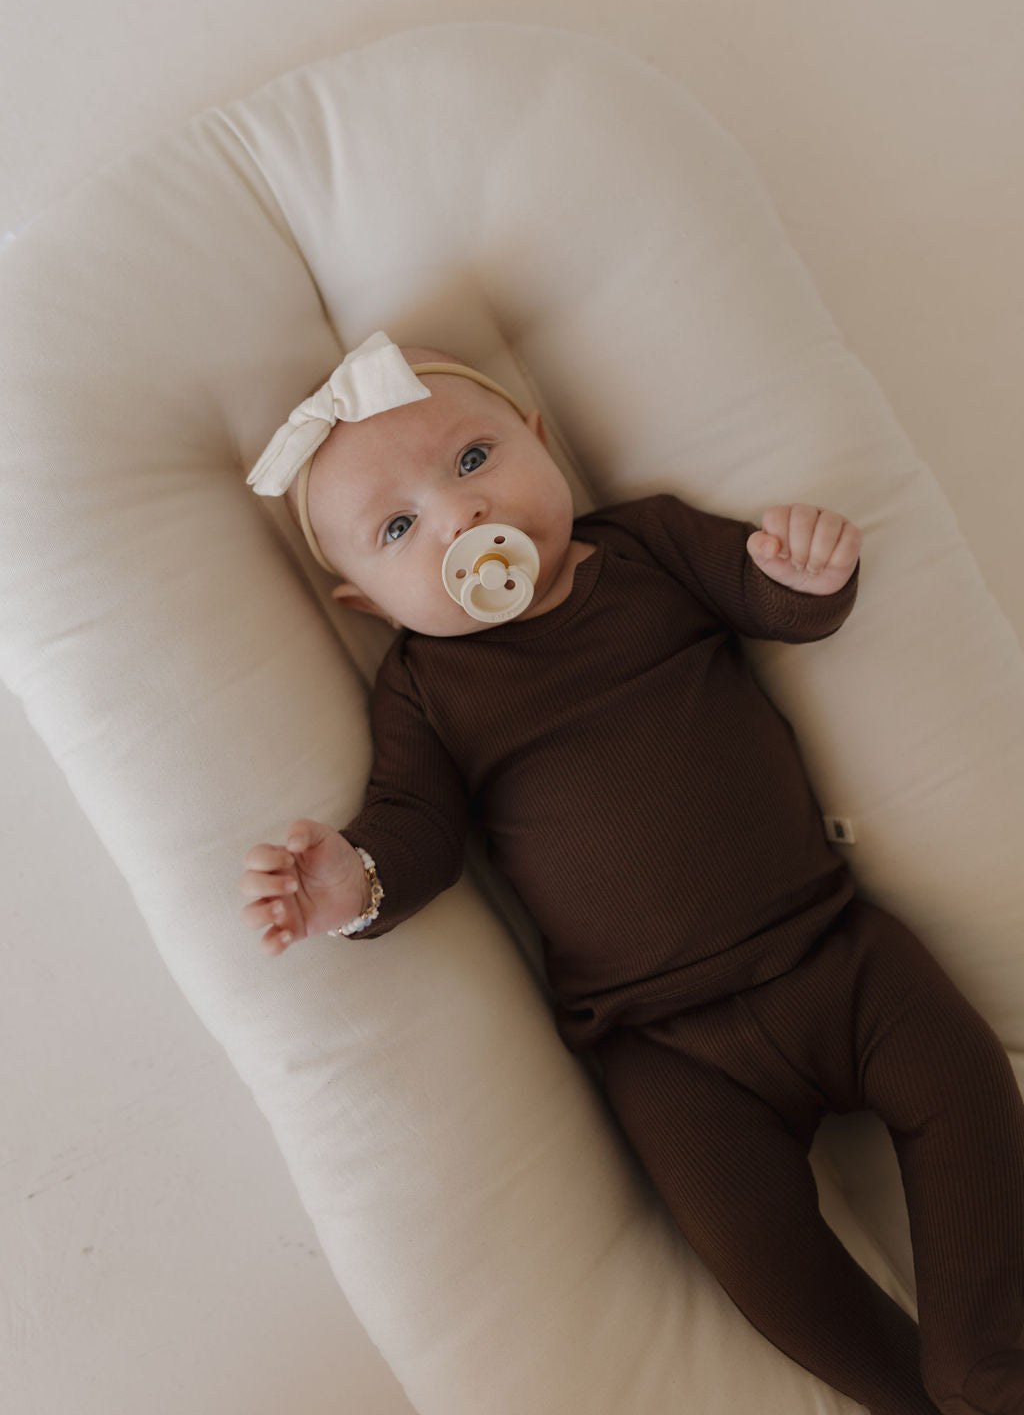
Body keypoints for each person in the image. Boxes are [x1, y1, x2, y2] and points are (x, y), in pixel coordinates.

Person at [239, 331, 1024, 1415]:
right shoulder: (425, 693)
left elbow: (772, 604)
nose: (462, 517)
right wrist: (354, 881)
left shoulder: (650, 545)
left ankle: (983, 1363)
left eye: (473, 462)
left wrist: (806, 576)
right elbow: (416, 829)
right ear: (367, 603)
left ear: (542, 443)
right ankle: (908, 1395)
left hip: (838, 954)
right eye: (399, 528)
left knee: (965, 1083)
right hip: (666, 1049)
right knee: (756, 1256)